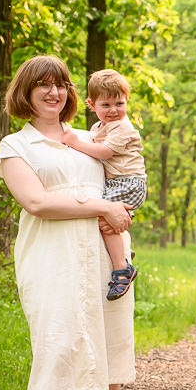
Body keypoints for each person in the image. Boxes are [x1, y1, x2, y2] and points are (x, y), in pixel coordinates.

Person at [0, 55, 136, 390]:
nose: (54, 92)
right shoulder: (16, 146)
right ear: (26, 91)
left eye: (61, 85)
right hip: (51, 259)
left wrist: (121, 210)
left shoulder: (91, 137)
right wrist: (101, 207)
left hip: (104, 256)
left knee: (109, 346)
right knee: (53, 349)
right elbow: (37, 203)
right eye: (44, 85)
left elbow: (125, 177)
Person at [61, 69, 147, 300]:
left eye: (119, 103)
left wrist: (74, 142)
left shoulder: (123, 126)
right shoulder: (98, 128)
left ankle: (122, 268)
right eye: (106, 105)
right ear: (92, 104)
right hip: (116, 184)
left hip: (129, 183)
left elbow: (104, 152)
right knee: (106, 221)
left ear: (127, 100)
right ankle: (122, 250)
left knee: (103, 218)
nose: (114, 110)